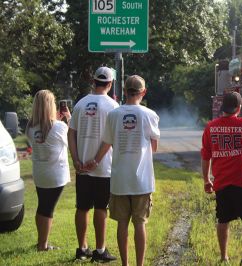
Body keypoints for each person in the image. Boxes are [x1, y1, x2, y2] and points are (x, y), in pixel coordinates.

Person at [85, 75, 160, 266]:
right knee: (140, 223)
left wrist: (94, 161)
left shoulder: (114, 115)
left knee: (122, 224)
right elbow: (154, 147)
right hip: (141, 181)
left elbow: (106, 144)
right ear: (143, 92)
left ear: (124, 91)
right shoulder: (150, 115)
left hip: (119, 180)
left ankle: (125, 264)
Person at [200, 92, 242, 264]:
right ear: (239, 108)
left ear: (223, 107)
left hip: (222, 183)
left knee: (223, 219)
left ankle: (224, 257)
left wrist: (206, 180)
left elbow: (205, 156)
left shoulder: (211, 127)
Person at [68, 66, 119, 262]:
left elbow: (71, 133)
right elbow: (110, 138)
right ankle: (99, 250)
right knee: (100, 208)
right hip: (103, 167)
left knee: (82, 207)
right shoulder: (113, 106)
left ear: (93, 81)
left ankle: (82, 249)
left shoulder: (81, 104)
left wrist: (76, 159)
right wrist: (97, 159)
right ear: (110, 83)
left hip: (82, 168)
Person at [26, 90, 71, 251]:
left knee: (42, 206)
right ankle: (43, 245)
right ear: (50, 105)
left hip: (40, 173)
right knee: (48, 209)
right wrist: (69, 119)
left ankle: (41, 242)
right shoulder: (59, 126)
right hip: (55, 174)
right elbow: (73, 139)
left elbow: (42, 137)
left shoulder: (30, 126)